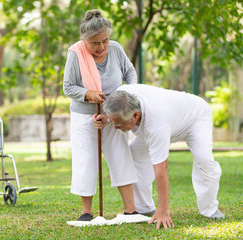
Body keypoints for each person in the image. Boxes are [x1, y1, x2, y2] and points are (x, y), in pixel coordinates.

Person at [93, 84, 225, 229]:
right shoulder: (120, 97)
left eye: (118, 124)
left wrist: (163, 210)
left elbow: (161, 168)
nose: (116, 127)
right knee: (135, 153)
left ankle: (210, 209)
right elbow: (115, 115)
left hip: (195, 118)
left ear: (135, 115)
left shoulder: (156, 123)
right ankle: (145, 207)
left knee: (203, 160)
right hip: (169, 120)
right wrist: (107, 120)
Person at [63, 9, 139, 221]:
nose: (102, 47)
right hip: (84, 115)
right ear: (85, 40)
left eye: (105, 40)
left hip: (114, 113)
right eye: (95, 43)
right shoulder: (76, 54)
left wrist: (130, 93)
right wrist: (88, 93)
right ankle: (86, 212)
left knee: (120, 155)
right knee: (86, 160)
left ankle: (130, 210)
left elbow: (130, 72)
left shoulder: (115, 49)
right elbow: (68, 87)